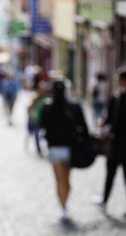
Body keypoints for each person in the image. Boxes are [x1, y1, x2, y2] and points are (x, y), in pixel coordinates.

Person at [95, 68, 126, 221]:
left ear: (123, 80)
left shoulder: (117, 98)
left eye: (118, 77)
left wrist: (103, 124)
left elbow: (109, 119)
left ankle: (104, 201)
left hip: (116, 141)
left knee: (111, 174)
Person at [40, 80, 88, 224]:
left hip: (55, 147)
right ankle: (64, 206)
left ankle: (64, 207)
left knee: (59, 180)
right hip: (69, 147)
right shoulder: (74, 107)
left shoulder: (47, 107)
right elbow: (84, 128)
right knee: (66, 180)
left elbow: (42, 126)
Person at [27, 81, 51, 156]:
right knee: (36, 134)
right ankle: (38, 147)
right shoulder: (36, 97)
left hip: (47, 119)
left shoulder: (49, 97)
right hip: (37, 118)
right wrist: (30, 116)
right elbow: (30, 107)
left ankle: (48, 146)